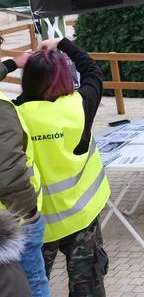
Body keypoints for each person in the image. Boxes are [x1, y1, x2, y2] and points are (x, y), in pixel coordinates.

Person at [13, 37, 108, 297]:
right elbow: (92, 70)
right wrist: (63, 43)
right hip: (80, 216)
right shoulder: (79, 106)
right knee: (88, 286)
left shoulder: (14, 115)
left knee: (35, 284)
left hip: (35, 222)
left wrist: (12, 63)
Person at [0, 36, 45, 296]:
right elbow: (9, 174)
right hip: (14, 217)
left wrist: (13, 63)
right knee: (34, 282)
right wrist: (29, 215)